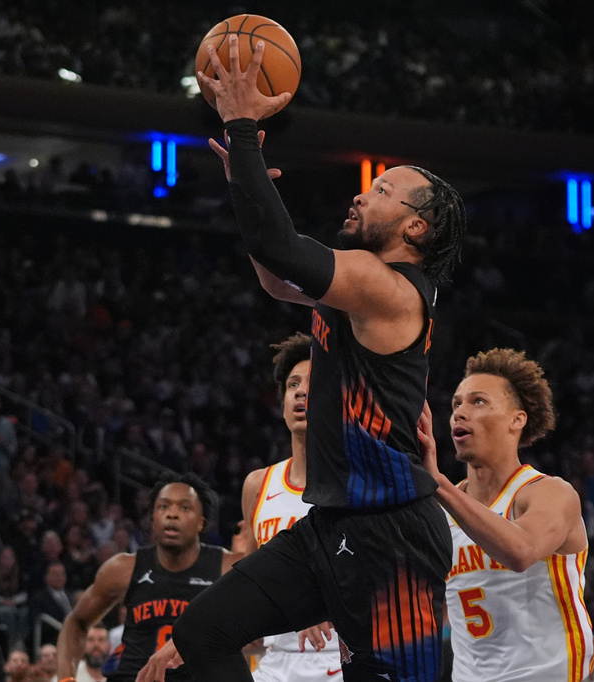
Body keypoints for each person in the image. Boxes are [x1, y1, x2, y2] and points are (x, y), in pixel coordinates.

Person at [144, 33, 466, 682]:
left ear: (417, 229)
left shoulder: (391, 289)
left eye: (381, 190)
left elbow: (285, 248)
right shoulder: (352, 288)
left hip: (391, 537)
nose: (361, 194)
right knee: (202, 632)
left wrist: (240, 127)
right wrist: (244, 177)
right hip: (330, 528)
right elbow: (275, 275)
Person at [416, 349, 593, 681]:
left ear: (517, 419)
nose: (459, 413)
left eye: (478, 402)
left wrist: (437, 483)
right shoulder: (439, 507)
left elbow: (521, 551)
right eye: (456, 404)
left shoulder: (549, 492)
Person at [55, 473, 239, 682]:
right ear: (152, 520)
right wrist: (66, 678)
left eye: (185, 507)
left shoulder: (227, 568)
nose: (172, 514)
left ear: (201, 522)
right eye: (163, 507)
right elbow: (76, 622)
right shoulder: (122, 568)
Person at [237, 333, 341, 680]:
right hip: (275, 664)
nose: (300, 391)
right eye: (293, 384)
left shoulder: (360, 482)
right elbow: (250, 583)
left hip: (342, 661)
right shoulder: (258, 484)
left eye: (313, 383)